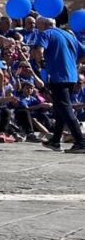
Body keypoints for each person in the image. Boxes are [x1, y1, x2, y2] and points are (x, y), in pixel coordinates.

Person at [32, 17, 85, 153]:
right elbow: (83, 53)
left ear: (43, 25)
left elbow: (39, 50)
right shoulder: (69, 35)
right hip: (72, 76)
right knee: (59, 108)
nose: (37, 29)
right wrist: (74, 64)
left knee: (65, 108)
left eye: (38, 26)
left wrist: (41, 62)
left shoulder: (46, 33)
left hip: (57, 76)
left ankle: (81, 141)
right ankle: (55, 141)